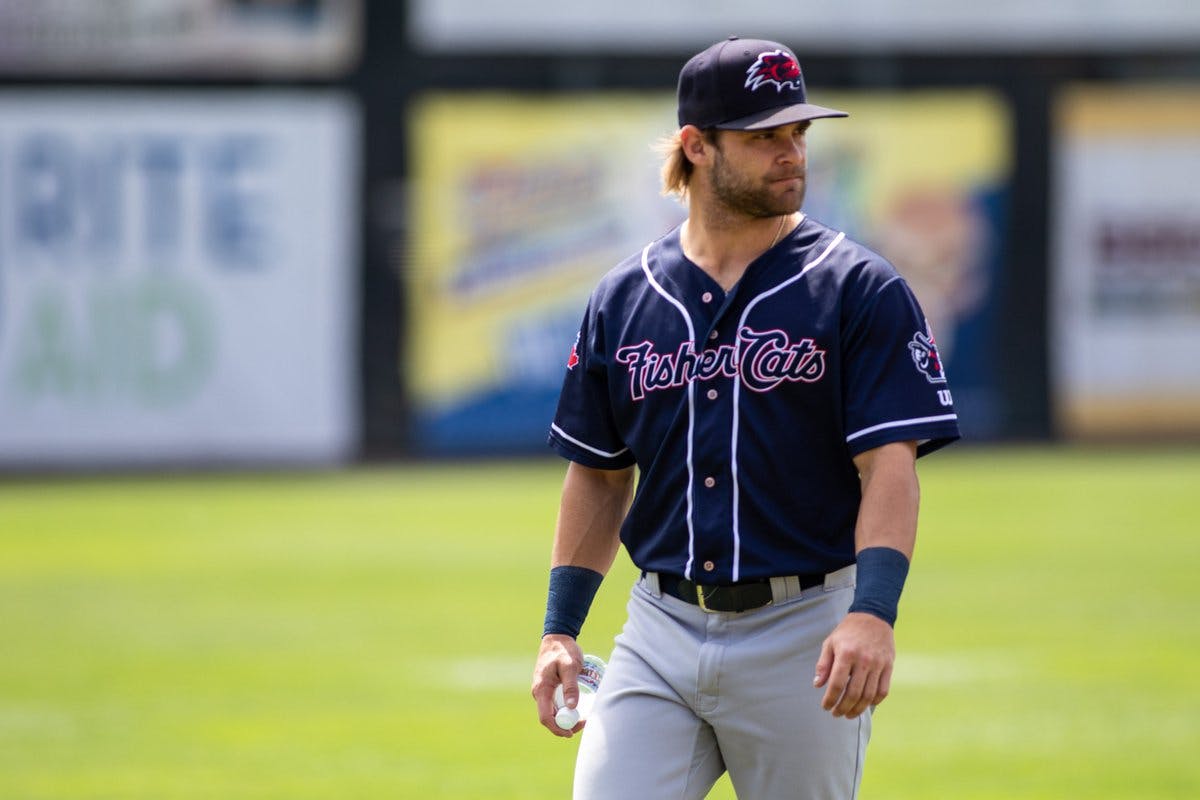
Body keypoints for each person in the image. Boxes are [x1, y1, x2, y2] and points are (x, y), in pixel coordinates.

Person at [530, 36, 960, 800]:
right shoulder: (624, 298)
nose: (792, 152)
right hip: (658, 629)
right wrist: (560, 628)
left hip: (805, 632)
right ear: (697, 146)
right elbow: (598, 476)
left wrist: (872, 613)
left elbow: (888, 468)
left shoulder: (857, 288)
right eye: (765, 137)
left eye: (798, 132)